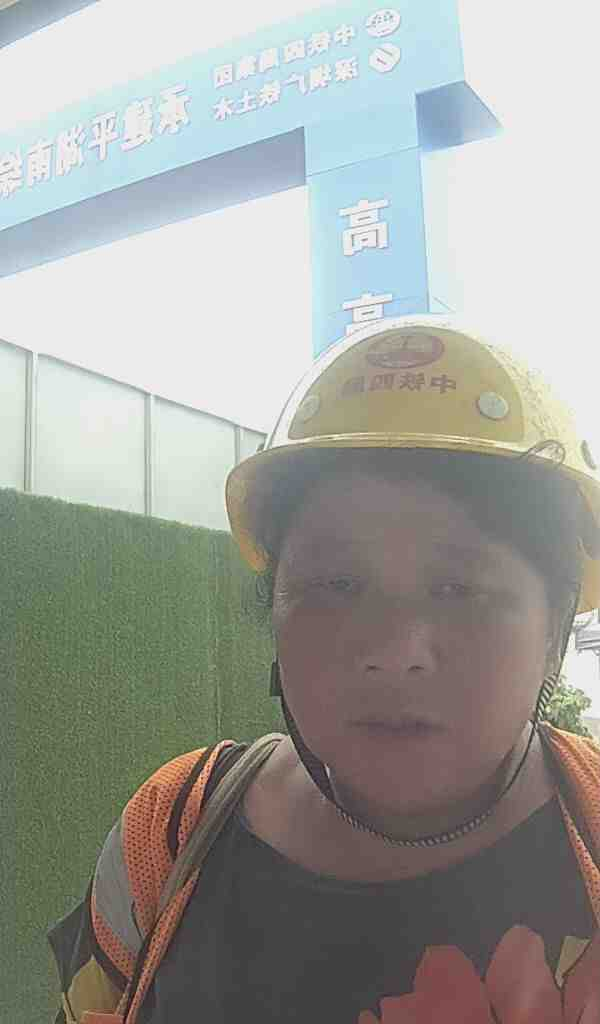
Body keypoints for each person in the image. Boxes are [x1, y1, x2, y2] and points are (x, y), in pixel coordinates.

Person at [49, 317, 600, 1023]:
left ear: (555, 626)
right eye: (337, 584)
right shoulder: (169, 830)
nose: (394, 649)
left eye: (459, 589)